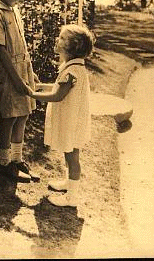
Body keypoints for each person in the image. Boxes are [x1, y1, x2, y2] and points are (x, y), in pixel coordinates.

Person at [27, 24, 94, 207]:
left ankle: (72, 198)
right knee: (69, 152)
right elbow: (59, 87)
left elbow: (57, 95)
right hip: (71, 119)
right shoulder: (73, 67)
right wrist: (42, 87)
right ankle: (68, 183)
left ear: (74, 46)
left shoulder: (72, 71)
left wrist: (33, 94)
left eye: (63, 38)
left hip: (71, 121)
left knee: (72, 156)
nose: (58, 40)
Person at [0, 0, 39, 183]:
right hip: (8, 73)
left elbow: (21, 45)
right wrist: (16, 80)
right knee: (9, 116)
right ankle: (4, 163)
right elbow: (0, 49)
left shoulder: (13, 10)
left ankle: (17, 159)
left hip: (22, 67)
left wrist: (29, 72)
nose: (21, 1)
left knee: (23, 113)